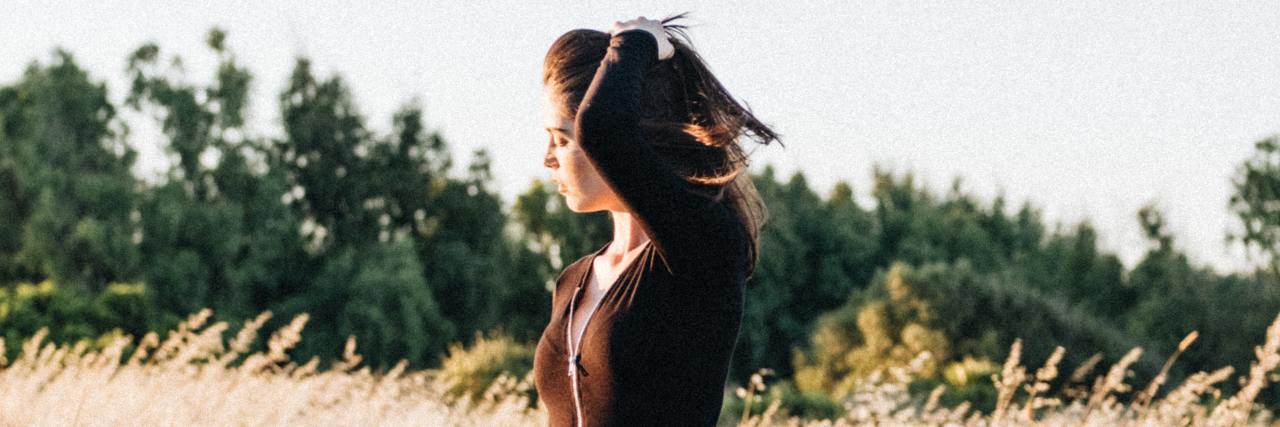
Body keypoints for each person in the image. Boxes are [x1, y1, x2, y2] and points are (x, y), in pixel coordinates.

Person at [532, 13, 780, 426]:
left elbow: (603, 127)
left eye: (562, 139)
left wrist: (636, 41)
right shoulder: (572, 281)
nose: (547, 158)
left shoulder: (704, 249)